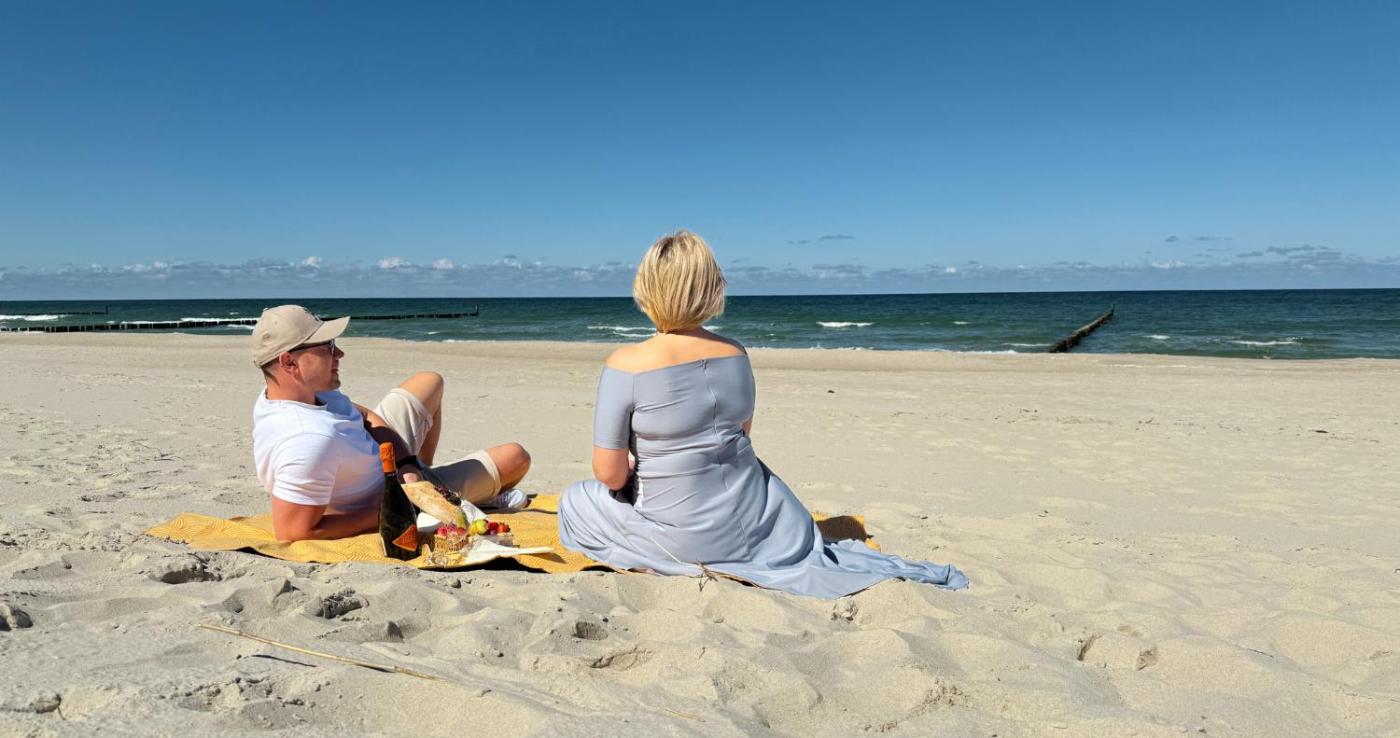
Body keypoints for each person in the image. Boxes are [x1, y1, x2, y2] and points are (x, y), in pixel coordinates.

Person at [558, 231, 967, 598]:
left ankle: (656, 556)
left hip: (683, 535)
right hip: (758, 520)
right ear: (710, 288)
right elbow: (740, 435)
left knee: (576, 499)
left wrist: (641, 464)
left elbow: (609, 474)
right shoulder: (735, 354)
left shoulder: (627, 365)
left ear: (648, 289)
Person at [250, 305, 530, 541]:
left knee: (430, 381)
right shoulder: (309, 440)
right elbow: (292, 532)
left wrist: (407, 463)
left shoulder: (298, 392)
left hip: (388, 461)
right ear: (289, 363)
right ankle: (456, 494)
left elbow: (364, 416)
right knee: (516, 457)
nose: (340, 354)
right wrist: (397, 508)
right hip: (392, 494)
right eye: (328, 347)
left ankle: (424, 470)